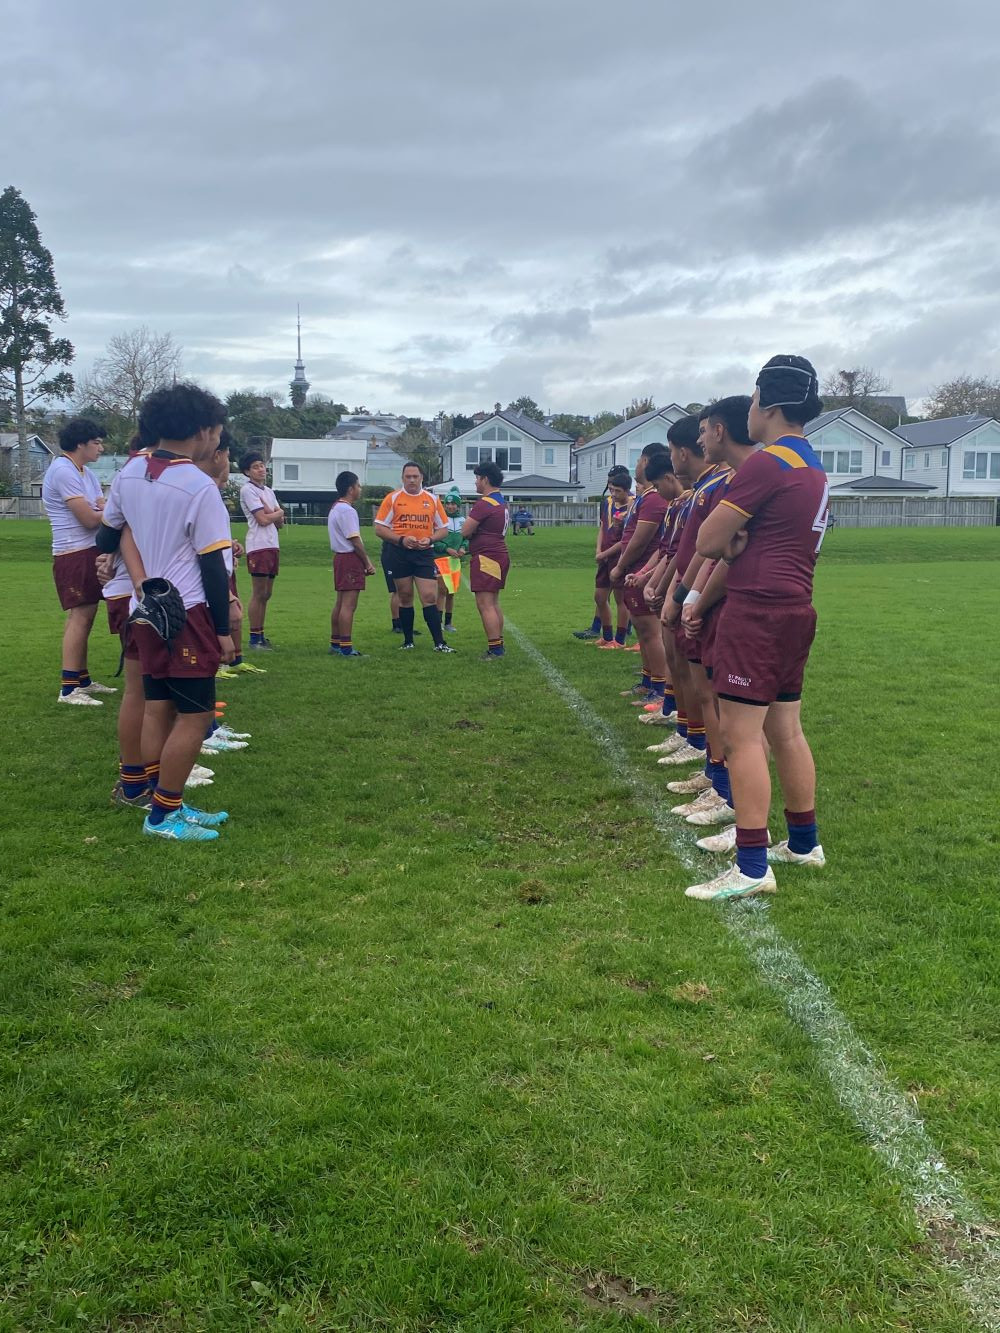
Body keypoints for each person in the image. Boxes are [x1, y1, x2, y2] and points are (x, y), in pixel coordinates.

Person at [684, 355, 829, 901]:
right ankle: (803, 841)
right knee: (786, 729)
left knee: (742, 736)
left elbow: (708, 541)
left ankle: (749, 866)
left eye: (750, 399)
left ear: (768, 404)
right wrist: (738, 540)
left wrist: (734, 541)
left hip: (757, 609)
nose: (747, 409)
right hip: (796, 607)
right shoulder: (812, 463)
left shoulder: (767, 462)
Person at [96, 383, 234, 843]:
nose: (217, 440)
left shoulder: (129, 472)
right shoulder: (198, 485)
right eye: (216, 430)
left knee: (156, 706)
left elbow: (107, 536)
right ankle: (162, 818)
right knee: (194, 717)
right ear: (202, 431)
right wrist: (223, 630)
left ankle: (164, 799)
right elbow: (213, 566)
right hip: (188, 612)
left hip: (143, 610)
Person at [41, 416, 118, 706]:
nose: (101, 447)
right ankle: (69, 687)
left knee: (87, 615)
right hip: (72, 553)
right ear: (80, 444)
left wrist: (106, 510)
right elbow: (89, 518)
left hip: (88, 551)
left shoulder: (86, 473)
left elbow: (102, 508)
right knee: (80, 616)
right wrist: (110, 512)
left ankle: (82, 680)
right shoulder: (62, 471)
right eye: (96, 442)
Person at [611, 443, 674, 707]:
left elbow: (640, 539)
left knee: (650, 631)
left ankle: (660, 689)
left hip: (642, 572)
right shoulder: (646, 497)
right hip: (637, 572)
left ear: (647, 461)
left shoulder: (654, 499)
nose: (636, 465)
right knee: (643, 630)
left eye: (639, 459)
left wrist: (621, 565)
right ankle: (649, 681)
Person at [374, 461, 453, 652]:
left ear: (421, 478)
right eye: (408, 476)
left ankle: (439, 643)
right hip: (399, 553)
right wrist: (401, 540)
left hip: (424, 554)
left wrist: (430, 538)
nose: (411, 480)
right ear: (402, 478)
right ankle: (408, 641)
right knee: (405, 596)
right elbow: (379, 528)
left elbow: (443, 529)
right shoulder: (393, 499)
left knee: (429, 595)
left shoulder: (432, 500)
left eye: (415, 476)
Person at [462, 461, 509, 658]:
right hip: (499, 554)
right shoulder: (501, 501)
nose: (475, 483)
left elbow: (465, 531)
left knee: (485, 604)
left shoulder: (485, 503)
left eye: (477, 478)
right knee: (493, 602)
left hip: (487, 556)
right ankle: (498, 643)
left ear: (485, 479)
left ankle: (495, 648)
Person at [239, 451, 284, 650]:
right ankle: (254, 638)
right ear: (247, 471)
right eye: (256, 467)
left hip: (272, 544)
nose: (261, 469)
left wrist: (274, 513)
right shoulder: (248, 490)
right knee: (258, 593)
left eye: (262, 465)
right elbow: (263, 519)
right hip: (258, 545)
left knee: (267, 593)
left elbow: (279, 522)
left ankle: (261, 634)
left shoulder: (268, 491)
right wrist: (277, 512)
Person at [329, 470, 376, 656]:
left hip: (339, 558)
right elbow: (355, 539)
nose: (360, 489)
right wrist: (367, 562)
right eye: (358, 485)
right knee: (349, 605)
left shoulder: (335, 507)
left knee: (340, 603)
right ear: (350, 489)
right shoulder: (348, 510)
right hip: (349, 558)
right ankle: (346, 648)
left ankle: (335, 642)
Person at [592, 467, 633, 649]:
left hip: (619, 557)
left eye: (618, 491)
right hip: (604, 556)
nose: (614, 494)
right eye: (611, 489)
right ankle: (606, 636)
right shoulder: (608, 502)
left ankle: (620, 639)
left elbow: (627, 540)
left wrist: (605, 553)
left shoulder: (633, 505)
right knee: (600, 597)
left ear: (627, 490)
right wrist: (598, 550)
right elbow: (602, 528)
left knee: (620, 599)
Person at [434, 488, 468, 633]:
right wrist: (446, 548)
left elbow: (467, 538)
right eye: (448, 504)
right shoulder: (440, 519)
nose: (450, 507)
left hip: (455, 561)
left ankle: (448, 622)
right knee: (441, 590)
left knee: (451, 592)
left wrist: (463, 548)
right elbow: (434, 540)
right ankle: (438, 622)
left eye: (453, 504)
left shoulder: (463, 521)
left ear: (458, 505)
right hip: (441, 559)